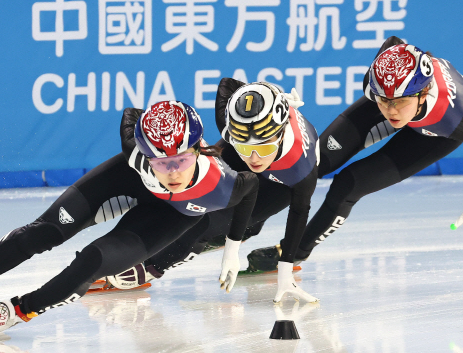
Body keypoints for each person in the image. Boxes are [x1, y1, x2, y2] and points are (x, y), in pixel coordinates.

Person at [0, 101, 259, 334]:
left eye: (181, 159)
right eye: (161, 162)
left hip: (169, 216)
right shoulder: (135, 153)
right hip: (126, 183)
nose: (172, 172)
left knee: (93, 261)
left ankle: (23, 308)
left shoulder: (222, 185)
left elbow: (252, 188)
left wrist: (232, 248)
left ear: (197, 149)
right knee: (42, 234)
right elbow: (132, 115)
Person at [251, 36, 463, 267]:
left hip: (434, 136)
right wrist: (388, 99)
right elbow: (393, 43)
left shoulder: (452, 117)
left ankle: (293, 253)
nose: (391, 110)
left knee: (349, 185)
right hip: (400, 93)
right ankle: (250, 219)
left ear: (422, 95)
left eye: (399, 102)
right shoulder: (378, 86)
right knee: (313, 163)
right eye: (383, 101)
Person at [107, 81, 321, 304]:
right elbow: (227, 85)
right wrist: (268, 94)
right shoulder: (236, 125)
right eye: (245, 144)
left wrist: (285, 274)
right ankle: (240, 229)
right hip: (239, 155)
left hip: (280, 185)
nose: (254, 158)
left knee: (207, 222)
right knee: (199, 193)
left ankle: (155, 265)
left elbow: (299, 213)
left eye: (263, 147)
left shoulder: (300, 169)